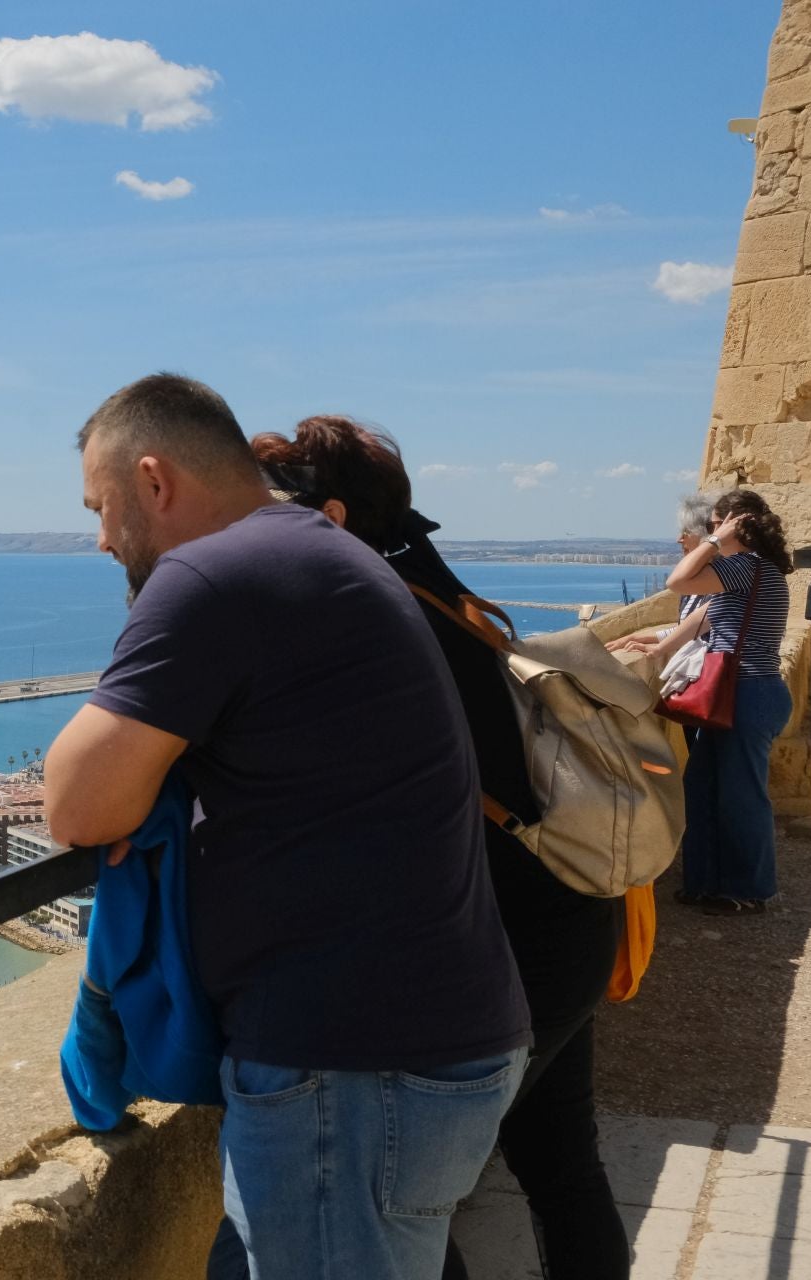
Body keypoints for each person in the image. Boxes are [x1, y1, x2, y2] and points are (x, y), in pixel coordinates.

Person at [43, 374, 530, 1280]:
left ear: (154, 481)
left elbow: (74, 805)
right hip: (410, 1046)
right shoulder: (321, 548)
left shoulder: (213, 574)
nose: (103, 538)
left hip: (351, 1072)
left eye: (101, 507)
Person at [248, 415, 630, 1280]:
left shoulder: (372, 619)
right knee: (560, 1165)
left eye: (270, 512)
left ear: (331, 516)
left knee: (409, 1186)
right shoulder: (438, 595)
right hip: (562, 911)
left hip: (513, 941)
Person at [635, 490, 793, 915]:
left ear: (733, 525)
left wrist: (713, 540)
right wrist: (657, 649)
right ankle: (704, 882)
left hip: (749, 693)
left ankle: (749, 889)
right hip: (739, 693)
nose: (709, 532)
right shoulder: (738, 573)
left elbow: (676, 582)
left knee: (741, 794)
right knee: (701, 788)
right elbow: (699, 618)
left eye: (715, 524)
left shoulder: (747, 566)